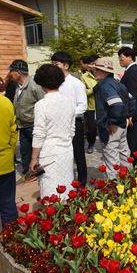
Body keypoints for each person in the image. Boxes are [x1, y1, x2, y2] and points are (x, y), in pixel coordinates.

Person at [30, 64, 75, 200]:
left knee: (51, 192)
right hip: (66, 150)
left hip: (48, 153)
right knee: (66, 189)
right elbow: (72, 129)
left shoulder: (41, 105)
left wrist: (33, 158)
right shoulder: (69, 101)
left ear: (41, 83)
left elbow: (39, 133)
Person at [91, 59, 134, 179]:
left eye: (96, 69)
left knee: (112, 159)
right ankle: (129, 182)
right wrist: (128, 116)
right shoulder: (118, 84)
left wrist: (112, 121)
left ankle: (115, 188)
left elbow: (117, 104)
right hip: (122, 125)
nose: (94, 71)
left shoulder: (105, 86)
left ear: (104, 72)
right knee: (124, 155)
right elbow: (131, 99)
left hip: (111, 127)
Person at [52, 51, 88, 186]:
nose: (53, 66)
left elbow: (82, 106)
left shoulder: (76, 83)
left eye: (56, 63)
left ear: (66, 66)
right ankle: (64, 181)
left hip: (74, 123)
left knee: (78, 154)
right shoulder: (54, 83)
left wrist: (67, 114)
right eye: (52, 63)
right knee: (62, 154)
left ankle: (81, 183)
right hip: (58, 125)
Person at [9, 59, 45, 174]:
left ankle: (38, 173)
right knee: (25, 151)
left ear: (18, 72)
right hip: (22, 125)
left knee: (38, 151)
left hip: (33, 125)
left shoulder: (35, 86)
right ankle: (28, 173)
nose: (10, 74)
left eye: (11, 71)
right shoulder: (18, 85)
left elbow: (44, 103)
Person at [0, 90, 19, 228]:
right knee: (7, 205)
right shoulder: (5, 101)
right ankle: (12, 242)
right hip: (4, 163)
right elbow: (13, 131)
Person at [119, 47, 137, 155]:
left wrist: (130, 114)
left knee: (135, 142)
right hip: (135, 113)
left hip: (133, 114)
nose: (120, 60)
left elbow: (131, 94)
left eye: (122, 58)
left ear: (130, 57)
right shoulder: (131, 70)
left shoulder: (132, 71)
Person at [80, 55, 98, 154]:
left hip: (103, 106)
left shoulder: (103, 74)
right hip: (91, 107)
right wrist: (93, 89)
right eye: (93, 64)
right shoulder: (84, 77)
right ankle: (91, 143)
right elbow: (83, 92)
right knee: (91, 128)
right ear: (89, 65)